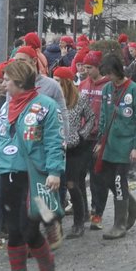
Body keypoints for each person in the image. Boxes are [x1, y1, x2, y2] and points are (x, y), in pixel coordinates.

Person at [0, 59, 64, 271]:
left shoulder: (46, 106)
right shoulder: (5, 108)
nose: (3, 84)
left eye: (7, 80)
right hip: (7, 174)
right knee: (15, 232)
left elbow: (54, 142)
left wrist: (55, 171)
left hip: (33, 176)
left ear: (18, 82)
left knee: (29, 229)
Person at [94, 53, 136, 239]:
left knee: (118, 182)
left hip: (126, 144)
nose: (108, 77)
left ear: (117, 70)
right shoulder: (107, 89)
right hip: (110, 144)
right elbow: (104, 117)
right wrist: (100, 141)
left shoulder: (134, 90)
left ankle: (119, 224)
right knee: (106, 179)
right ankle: (133, 208)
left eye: (110, 73)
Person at [54, 67, 97, 239]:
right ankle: (56, 223)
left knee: (73, 183)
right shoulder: (52, 100)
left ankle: (79, 222)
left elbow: (91, 118)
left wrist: (82, 134)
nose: (54, 84)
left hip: (76, 148)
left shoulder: (80, 99)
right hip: (57, 146)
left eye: (57, 81)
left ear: (65, 82)